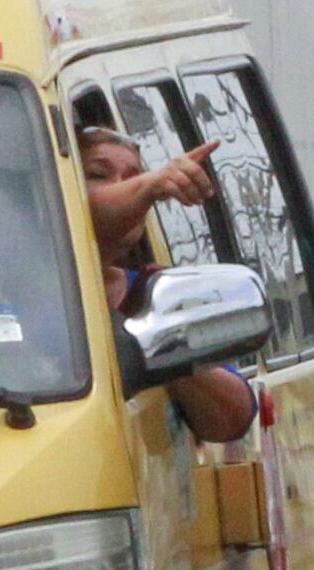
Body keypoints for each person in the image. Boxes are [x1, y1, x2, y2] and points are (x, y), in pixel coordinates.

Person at [77, 124, 257, 444]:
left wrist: (165, 346)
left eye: (134, 176)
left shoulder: (151, 293)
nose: (126, 189)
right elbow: (83, 214)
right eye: (98, 174)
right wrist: (152, 184)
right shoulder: (17, 290)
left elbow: (233, 420)